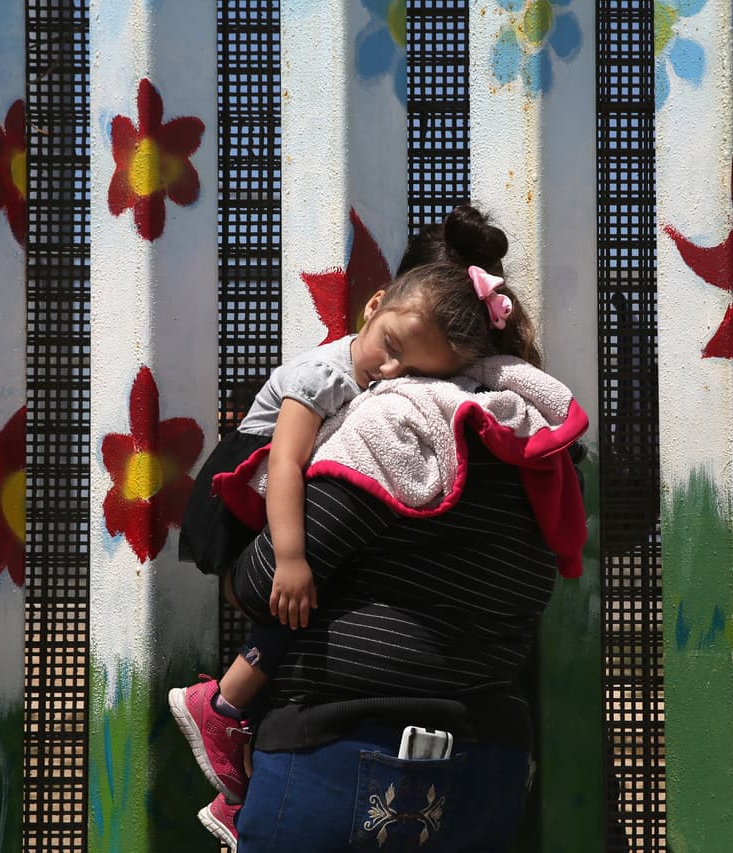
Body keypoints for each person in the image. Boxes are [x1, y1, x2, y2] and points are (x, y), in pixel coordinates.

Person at [170, 206, 539, 812]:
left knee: (309, 600)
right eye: (392, 350)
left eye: (412, 368)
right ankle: (220, 705)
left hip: (282, 505)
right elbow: (284, 464)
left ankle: (238, 771)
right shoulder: (323, 375)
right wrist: (290, 556)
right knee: (301, 597)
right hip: (248, 500)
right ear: (375, 305)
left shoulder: (393, 374)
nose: (392, 372)